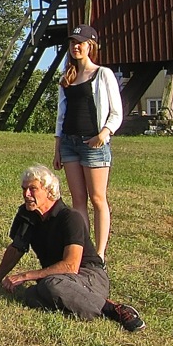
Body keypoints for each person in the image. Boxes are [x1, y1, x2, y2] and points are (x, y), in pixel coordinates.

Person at [0, 164, 144, 331]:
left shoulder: (70, 218)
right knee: (30, 295)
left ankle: (113, 309)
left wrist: (26, 275)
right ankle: (77, 304)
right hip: (58, 278)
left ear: (49, 191)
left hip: (88, 275)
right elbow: (16, 248)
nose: (26, 194)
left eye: (32, 189)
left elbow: (71, 266)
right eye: (24, 189)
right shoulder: (26, 214)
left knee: (50, 285)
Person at [53, 25, 123, 259]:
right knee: (78, 200)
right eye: (73, 43)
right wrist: (57, 148)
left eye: (80, 43)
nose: (76, 47)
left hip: (93, 144)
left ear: (90, 45)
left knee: (97, 198)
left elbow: (116, 112)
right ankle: (84, 250)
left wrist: (104, 134)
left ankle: (100, 253)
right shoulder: (67, 78)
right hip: (69, 143)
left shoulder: (103, 74)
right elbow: (61, 115)